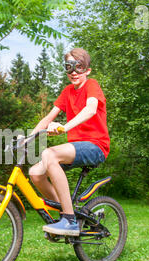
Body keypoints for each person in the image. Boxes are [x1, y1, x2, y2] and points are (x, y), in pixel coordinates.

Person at [29, 48, 110, 236]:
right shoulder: (67, 92)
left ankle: (69, 220)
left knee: (49, 153)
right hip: (76, 148)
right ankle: (67, 214)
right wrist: (28, 137)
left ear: (87, 70)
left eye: (79, 67)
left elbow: (90, 109)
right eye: (69, 67)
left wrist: (65, 127)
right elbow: (48, 118)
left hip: (96, 146)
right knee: (35, 172)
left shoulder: (92, 85)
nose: (74, 72)